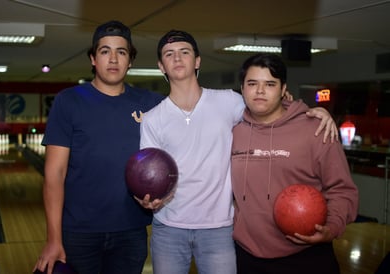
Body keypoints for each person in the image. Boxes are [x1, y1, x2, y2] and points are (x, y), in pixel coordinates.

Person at [137, 30, 338, 274]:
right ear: (161, 66)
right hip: (168, 227)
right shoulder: (153, 119)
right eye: (169, 54)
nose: (177, 58)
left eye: (185, 52)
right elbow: (148, 174)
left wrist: (311, 112)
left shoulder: (229, 101)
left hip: (219, 229)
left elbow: (271, 105)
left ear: (197, 61)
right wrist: (147, 197)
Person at [33, 20, 164, 274]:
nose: (113, 59)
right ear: (93, 58)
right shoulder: (68, 101)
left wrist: (163, 196)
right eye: (105, 51)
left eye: (121, 52)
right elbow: (54, 174)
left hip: (131, 231)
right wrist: (53, 239)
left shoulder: (151, 103)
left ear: (130, 61)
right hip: (79, 234)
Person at [231, 53, 359, 274]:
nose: (260, 91)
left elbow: (342, 190)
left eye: (270, 84)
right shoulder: (232, 131)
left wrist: (331, 227)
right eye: (252, 83)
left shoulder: (316, 129)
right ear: (242, 88)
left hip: (306, 256)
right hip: (247, 257)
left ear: (283, 90)